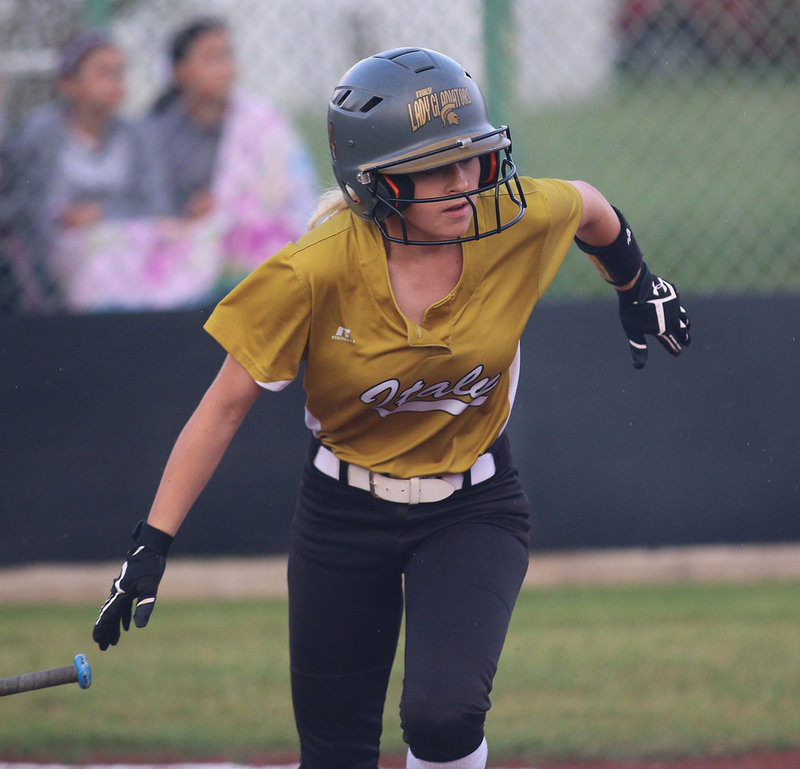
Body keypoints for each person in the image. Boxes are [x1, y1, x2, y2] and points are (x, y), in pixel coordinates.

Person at [92, 48, 691, 769]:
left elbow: (589, 205)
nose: (464, 181)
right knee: (336, 753)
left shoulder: (512, 216)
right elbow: (222, 407)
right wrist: (150, 546)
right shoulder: (314, 269)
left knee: (442, 717)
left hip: (473, 504)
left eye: (470, 158)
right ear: (374, 183)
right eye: (437, 168)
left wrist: (637, 284)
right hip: (342, 514)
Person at [144, 16, 317, 294]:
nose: (224, 68)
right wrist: (185, 212)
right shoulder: (157, 129)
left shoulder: (262, 121)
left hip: (248, 239)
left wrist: (225, 209)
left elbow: (294, 191)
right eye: (211, 58)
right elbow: (145, 199)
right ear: (180, 71)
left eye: (227, 56)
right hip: (182, 237)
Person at [0, 29, 168, 312]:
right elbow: (27, 212)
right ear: (69, 83)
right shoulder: (40, 134)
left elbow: (156, 204)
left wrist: (101, 214)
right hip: (54, 262)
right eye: (104, 72)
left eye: (120, 72)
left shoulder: (137, 136)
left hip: (125, 256)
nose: (116, 82)